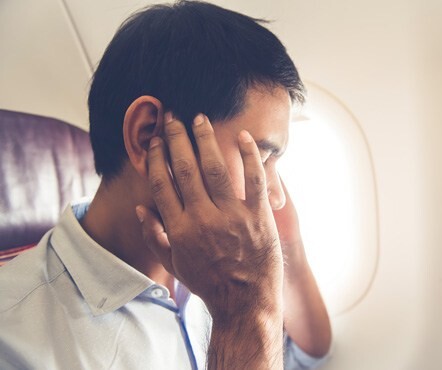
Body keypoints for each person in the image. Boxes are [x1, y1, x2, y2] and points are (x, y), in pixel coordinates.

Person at [0, 1, 331, 369]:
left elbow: (305, 356)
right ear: (147, 136)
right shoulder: (14, 339)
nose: (275, 194)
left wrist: (290, 247)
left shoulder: (210, 261)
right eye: (259, 155)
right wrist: (242, 308)